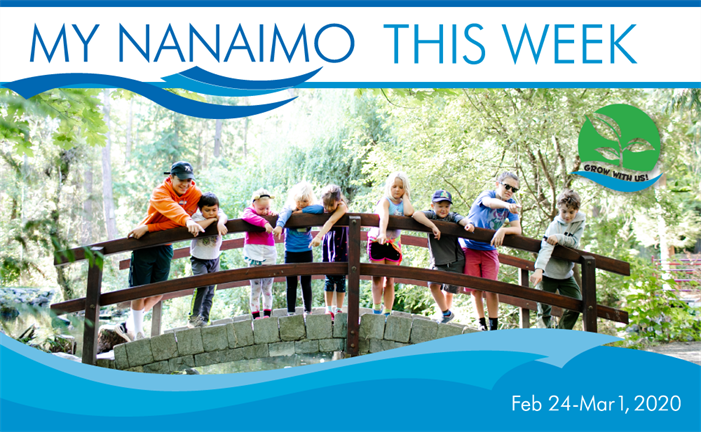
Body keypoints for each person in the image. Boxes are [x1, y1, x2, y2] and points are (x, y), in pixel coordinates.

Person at [115, 161, 226, 341]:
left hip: (166, 245)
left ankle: (129, 324)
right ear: (171, 177)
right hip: (145, 244)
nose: (185, 184)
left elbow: (206, 211)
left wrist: (150, 227)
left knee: (158, 293)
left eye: (188, 180)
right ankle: (136, 332)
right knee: (139, 291)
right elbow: (173, 211)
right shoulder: (160, 192)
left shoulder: (194, 194)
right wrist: (186, 221)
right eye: (181, 179)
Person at [460, 172, 521, 331]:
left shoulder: (512, 203)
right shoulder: (487, 195)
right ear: (497, 184)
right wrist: (507, 206)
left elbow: (517, 229)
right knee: (476, 288)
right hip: (470, 246)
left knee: (492, 288)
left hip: (489, 249)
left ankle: (494, 327)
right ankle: (481, 324)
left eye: (514, 189)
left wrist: (503, 230)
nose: (509, 191)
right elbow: (489, 203)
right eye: (507, 186)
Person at [412, 190, 472, 324]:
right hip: (438, 261)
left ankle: (445, 317)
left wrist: (468, 224)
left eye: (446, 206)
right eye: (440, 205)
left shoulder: (451, 217)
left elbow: (462, 219)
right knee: (433, 285)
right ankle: (446, 313)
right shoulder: (430, 215)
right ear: (433, 206)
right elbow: (416, 214)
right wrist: (433, 226)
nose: (443, 209)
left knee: (448, 291)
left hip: (455, 260)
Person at [530, 189, 586, 329]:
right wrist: (539, 270)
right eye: (564, 212)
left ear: (577, 210)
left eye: (571, 212)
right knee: (543, 310)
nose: (567, 216)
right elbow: (546, 248)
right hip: (548, 273)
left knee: (577, 304)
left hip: (566, 274)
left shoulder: (580, 221)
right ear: (558, 210)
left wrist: (559, 238)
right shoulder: (554, 226)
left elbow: (574, 242)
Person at [272, 182, 325, 316]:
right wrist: (279, 226)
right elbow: (283, 215)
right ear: (294, 199)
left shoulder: (310, 209)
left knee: (306, 283)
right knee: (291, 283)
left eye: (305, 201)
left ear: (310, 200)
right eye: (299, 201)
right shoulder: (289, 209)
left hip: (306, 251)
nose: (301, 204)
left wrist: (303, 211)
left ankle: (308, 310)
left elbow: (320, 209)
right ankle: (291, 312)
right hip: (291, 252)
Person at [366, 172, 414, 316]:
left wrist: (406, 198)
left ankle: (387, 312)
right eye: (394, 186)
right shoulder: (385, 201)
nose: (397, 190)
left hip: (393, 244)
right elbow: (384, 217)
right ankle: (376, 308)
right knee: (377, 277)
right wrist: (382, 232)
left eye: (401, 187)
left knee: (390, 279)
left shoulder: (403, 203)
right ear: (389, 187)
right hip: (378, 241)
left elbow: (409, 212)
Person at [187, 192, 228, 328]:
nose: (211, 213)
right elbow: (199, 225)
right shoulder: (196, 217)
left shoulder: (219, 214)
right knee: (202, 285)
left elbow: (223, 216)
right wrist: (212, 220)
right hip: (199, 259)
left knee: (211, 289)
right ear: (200, 209)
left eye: (213, 210)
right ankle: (193, 317)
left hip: (214, 258)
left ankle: (205, 318)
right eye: (207, 210)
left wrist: (220, 222)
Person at [310, 185, 349, 319]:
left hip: (341, 244)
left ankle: (338, 308)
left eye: (331, 205)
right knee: (329, 278)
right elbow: (311, 209)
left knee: (340, 279)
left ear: (338, 200)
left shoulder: (342, 207)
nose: (328, 209)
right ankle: (328, 309)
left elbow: (332, 220)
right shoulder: (324, 207)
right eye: (325, 205)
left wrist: (318, 236)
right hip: (330, 243)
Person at [241, 189, 277, 320]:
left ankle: (267, 313)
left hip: (268, 253)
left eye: (267, 208)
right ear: (253, 204)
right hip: (254, 253)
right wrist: (264, 222)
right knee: (255, 287)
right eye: (261, 209)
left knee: (267, 288)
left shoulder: (270, 214)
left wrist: (271, 218)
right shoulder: (249, 211)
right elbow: (246, 216)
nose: (265, 211)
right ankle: (255, 315)